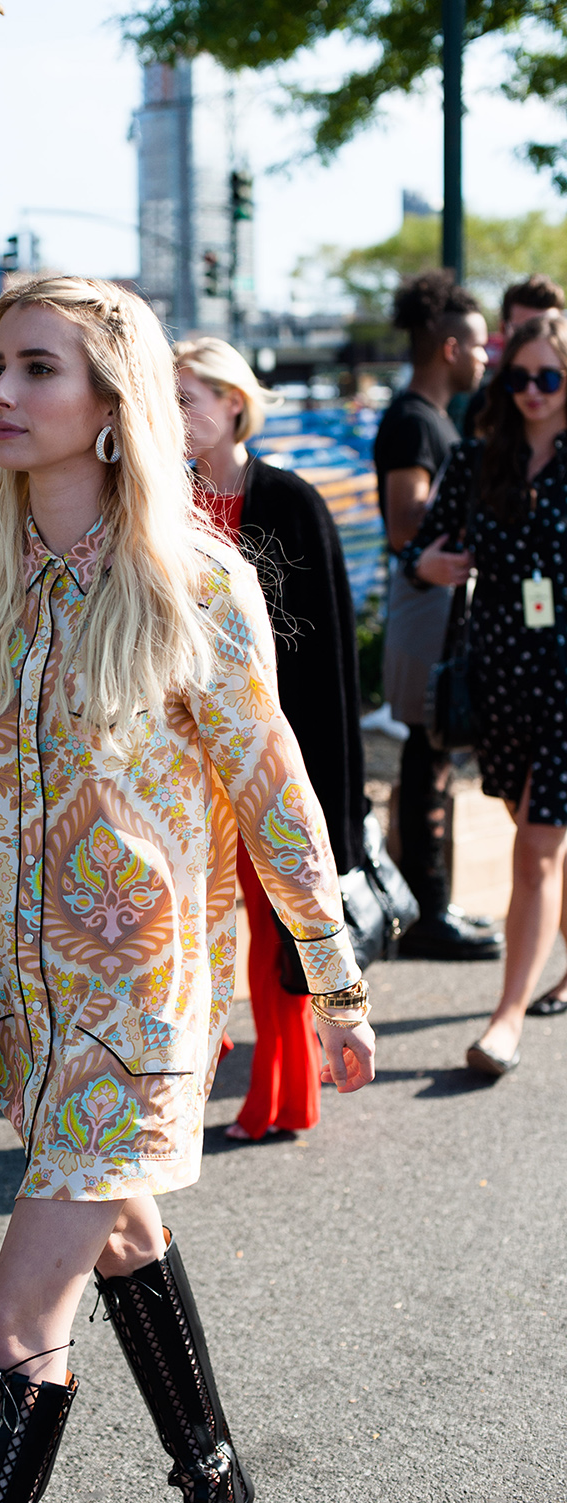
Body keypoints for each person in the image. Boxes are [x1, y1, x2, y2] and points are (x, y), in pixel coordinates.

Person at [0, 276, 375, 1503]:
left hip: (140, 1007)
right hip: (11, 1004)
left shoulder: (195, 584)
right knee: (126, 1233)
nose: (0, 392)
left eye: (36, 368)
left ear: (112, 399)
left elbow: (273, 790)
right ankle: (217, 1483)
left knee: (14, 1323)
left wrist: (330, 977)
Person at [174, 336, 366, 1144]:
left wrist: (335, 788)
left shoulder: (290, 499)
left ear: (234, 403)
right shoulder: (158, 500)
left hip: (270, 745)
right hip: (186, 758)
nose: (175, 413)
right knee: (191, 924)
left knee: (279, 922)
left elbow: (328, 662)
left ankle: (283, 1094)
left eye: (188, 396)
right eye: (166, 398)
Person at [405, 312, 567, 1074]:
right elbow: (421, 551)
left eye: (551, 377)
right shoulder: (475, 460)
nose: (533, 391)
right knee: (539, 830)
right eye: (521, 376)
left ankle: (505, 1020)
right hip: (500, 673)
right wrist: (427, 566)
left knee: (536, 846)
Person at [374, 272, 502, 961]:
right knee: (427, 754)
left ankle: (435, 903)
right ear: (449, 347)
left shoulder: (432, 416)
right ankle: (426, 911)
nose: (487, 357)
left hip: (440, 603)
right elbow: (404, 524)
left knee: (436, 754)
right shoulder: (413, 420)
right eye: (480, 345)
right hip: (426, 606)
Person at [463, 274, 565, 438]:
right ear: (503, 330)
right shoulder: (484, 405)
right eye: (525, 331)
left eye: (550, 329)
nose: (536, 341)